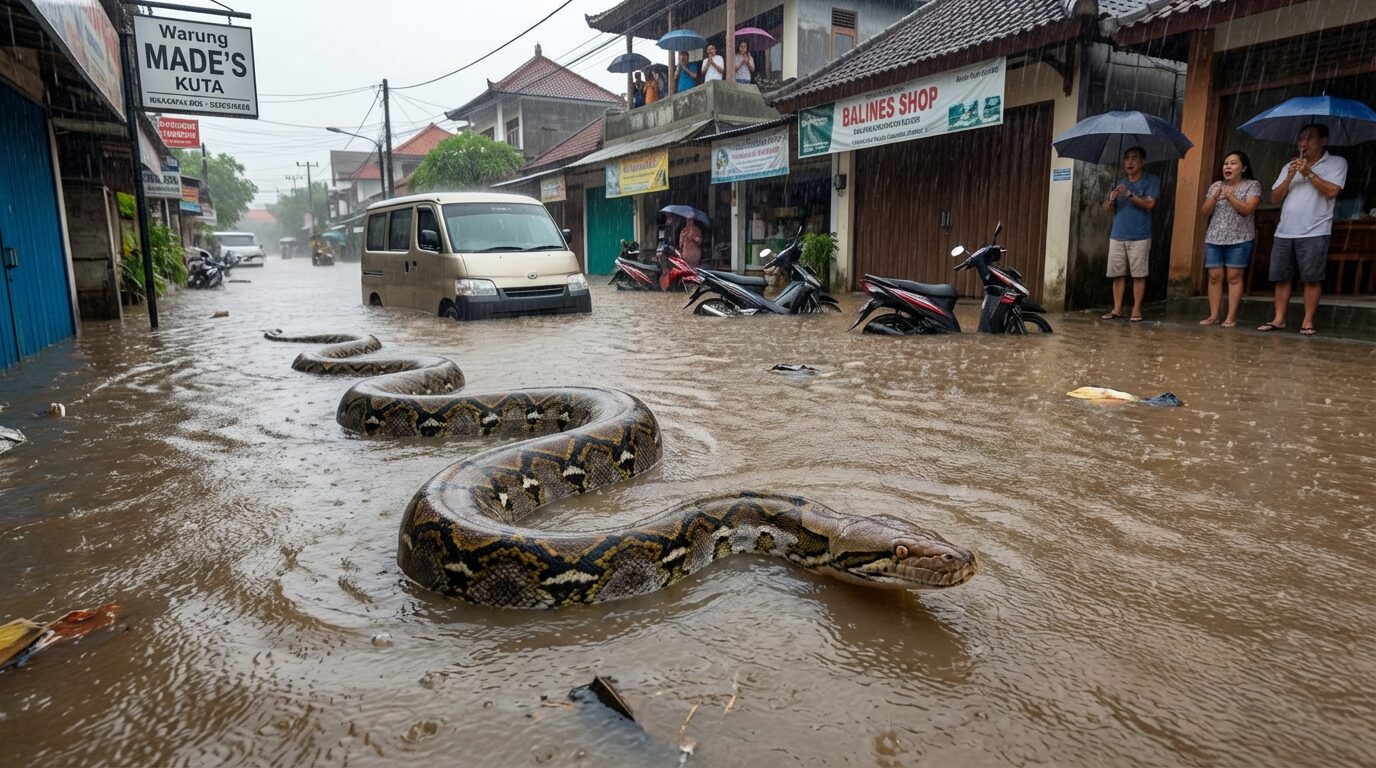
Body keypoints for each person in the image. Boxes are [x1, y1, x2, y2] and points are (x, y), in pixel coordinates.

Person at [1258, 124, 1347, 335]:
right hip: (1285, 230)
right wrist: (1290, 175)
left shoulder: (1337, 163)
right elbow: (1274, 197)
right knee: (1281, 277)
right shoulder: (1290, 165)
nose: (1303, 143)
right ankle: (1279, 319)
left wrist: (1309, 174)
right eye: (1300, 139)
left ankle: (1307, 321)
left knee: (1312, 277)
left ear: (1323, 140)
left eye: (1309, 138)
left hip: (1315, 230)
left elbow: (1333, 191)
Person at [1199, 151, 1262, 328]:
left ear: (1244, 167)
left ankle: (1231, 317)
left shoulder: (1252, 185)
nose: (1227, 166)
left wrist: (1230, 196)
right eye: (1226, 163)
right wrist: (1214, 198)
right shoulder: (1216, 186)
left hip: (1240, 239)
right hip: (1214, 237)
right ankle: (1213, 316)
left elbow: (1248, 209)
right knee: (1214, 276)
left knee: (1234, 277)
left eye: (1233, 163)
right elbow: (1204, 211)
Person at [1100, 146, 1159, 322]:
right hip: (1117, 234)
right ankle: (1117, 309)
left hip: (1140, 235)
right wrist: (1111, 200)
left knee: (1138, 275)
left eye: (1134, 158)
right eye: (1126, 159)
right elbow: (1107, 209)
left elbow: (1149, 204)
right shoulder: (1118, 182)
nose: (1129, 162)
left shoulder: (1151, 180)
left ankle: (1136, 310)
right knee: (1117, 274)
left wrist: (1129, 194)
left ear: (1143, 162)